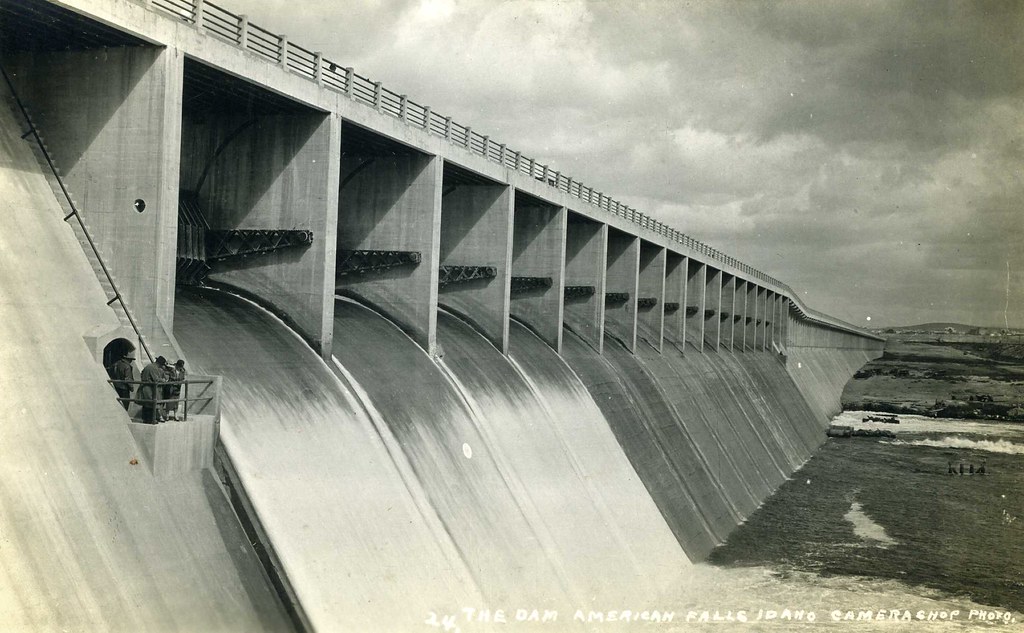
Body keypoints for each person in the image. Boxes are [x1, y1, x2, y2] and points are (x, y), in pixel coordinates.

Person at [138, 356, 167, 424]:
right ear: (160, 364)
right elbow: (156, 379)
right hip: (149, 388)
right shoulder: (153, 368)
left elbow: (142, 373)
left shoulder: (149, 366)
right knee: (151, 404)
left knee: (146, 404)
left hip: (145, 386)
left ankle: (145, 419)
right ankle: (150, 420)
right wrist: (163, 380)